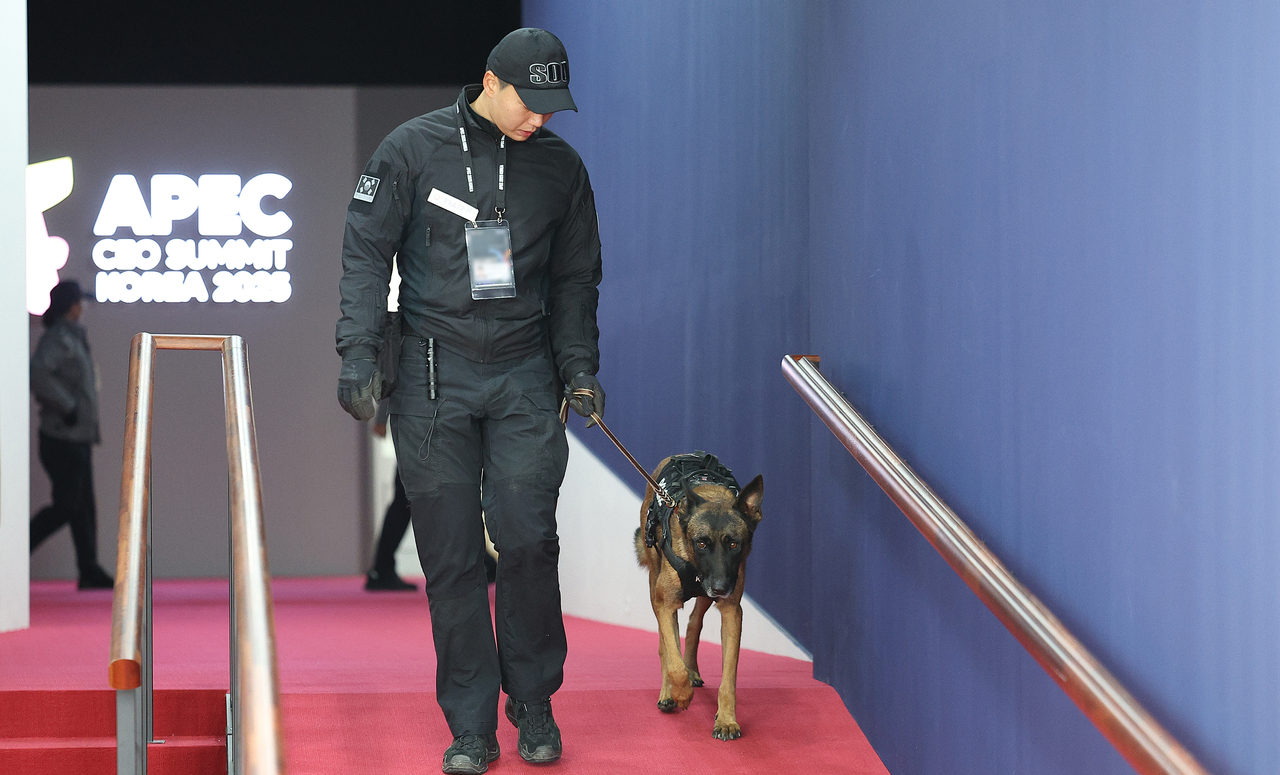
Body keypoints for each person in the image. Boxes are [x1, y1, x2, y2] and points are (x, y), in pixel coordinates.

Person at [335, 28, 604, 775]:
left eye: (552, 106)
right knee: (451, 557)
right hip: (432, 373)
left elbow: (577, 281)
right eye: (529, 102)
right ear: (491, 82)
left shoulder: (562, 169)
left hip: (525, 374)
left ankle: (534, 699)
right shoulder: (410, 150)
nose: (540, 117)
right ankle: (471, 725)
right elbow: (365, 256)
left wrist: (579, 367)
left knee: (527, 537)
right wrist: (358, 353)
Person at [30, 279, 114, 590]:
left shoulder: (73, 337)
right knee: (67, 505)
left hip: (76, 436)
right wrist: (67, 408)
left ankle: (89, 568)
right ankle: (11, 554)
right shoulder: (59, 338)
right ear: (71, 306)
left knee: (83, 506)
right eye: (80, 302)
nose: (83, 308)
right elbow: (38, 374)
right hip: (62, 437)